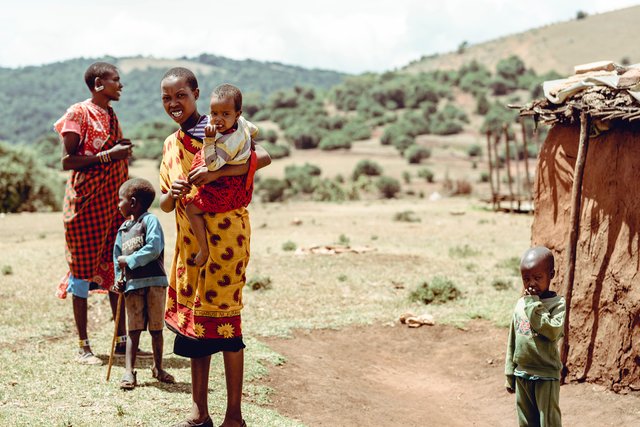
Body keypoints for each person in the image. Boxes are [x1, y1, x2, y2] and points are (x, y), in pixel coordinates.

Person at [159, 67, 271, 427]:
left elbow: (263, 156)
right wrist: (171, 193)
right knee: (196, 328)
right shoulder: (171, 144)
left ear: (195, 94)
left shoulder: (223, 126)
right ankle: (199, 410)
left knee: (227, 327)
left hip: (227, 241)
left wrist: (216, 174)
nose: (174, 103)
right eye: (166, 98)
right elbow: (162, 202)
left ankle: (234, 415)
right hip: (191, 246)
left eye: (181, 95)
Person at [54, 61, 142, 364]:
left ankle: (121, 341)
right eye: (115, 80)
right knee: (81, 272)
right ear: (98, 84)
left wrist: (120, 151)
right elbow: (68, 161)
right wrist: (109, 156)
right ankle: (83, 346)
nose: (120, 85)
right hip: (86, 206)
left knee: (116, 267)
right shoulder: (78, 112)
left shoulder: (110, 114)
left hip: (111, 206)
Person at [186, 83, 258, 267]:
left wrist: (209, 140)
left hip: (226, 189)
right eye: (214, 113)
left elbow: (213, 164)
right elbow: (253, 128)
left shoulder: (228, 141)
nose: (218, 119)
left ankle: (204, 248)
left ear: (237, 114)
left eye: (225, 114)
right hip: (233, 182)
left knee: (191, 209)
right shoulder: (240, 124)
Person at [113, 178, 174, 389]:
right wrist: (118, 279)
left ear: (132, 202)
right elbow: (117, 258)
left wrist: (130, 260)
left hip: (155, 283)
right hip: (132, 285)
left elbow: (154, 247)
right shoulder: (123, 230)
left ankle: (158, 367)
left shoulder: (150, 221)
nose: (117, 205)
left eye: (119, 201)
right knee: (134, 329)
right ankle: (129, 372)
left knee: (156, 329)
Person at [504, 246, 565, 427]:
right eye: (526, 279)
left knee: (549, 422)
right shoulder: (521, 304)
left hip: (545, 375)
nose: (531, 283)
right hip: (522, 374)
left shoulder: (557, 304)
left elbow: (552, 331)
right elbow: (512, 339)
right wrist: (510, 373)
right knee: (525, 422)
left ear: (551, 274)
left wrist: (533, 305)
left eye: (538, 278)